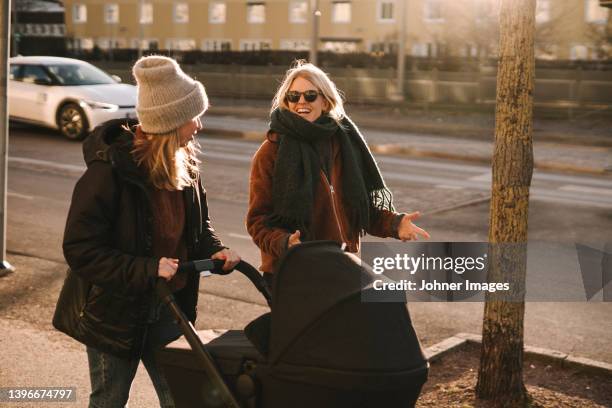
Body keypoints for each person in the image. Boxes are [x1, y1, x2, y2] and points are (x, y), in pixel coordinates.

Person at [53, 55, 240, 408]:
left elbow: (197, 231)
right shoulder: (108, 174)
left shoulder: (185, 165)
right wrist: (147, 268)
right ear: (169, 124)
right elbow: (80, 250)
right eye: (191, 118)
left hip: (168, 307)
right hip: (115, 312)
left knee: (181, 398)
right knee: (110, 399)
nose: (198, 126)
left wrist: (215, 249)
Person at [247, 61, 430, 279]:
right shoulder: (272, 151)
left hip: (342, 264)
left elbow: (359, 209)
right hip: (293, 271)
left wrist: (394, 223)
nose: (301, 102)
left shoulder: (344, 143)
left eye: (310, 95)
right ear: (286, 102)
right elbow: (258, 221)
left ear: (325, 101)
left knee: (386, 303)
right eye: (293, 96)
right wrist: (285, 242)